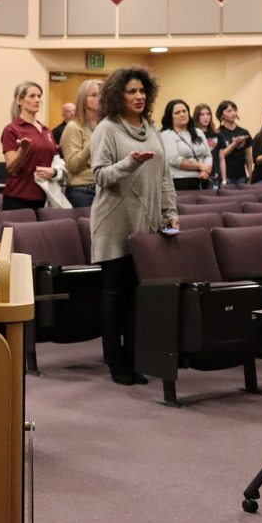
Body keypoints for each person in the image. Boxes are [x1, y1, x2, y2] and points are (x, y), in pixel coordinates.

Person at [90, 66, 177, 386]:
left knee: (137, 296)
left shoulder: (151, 128)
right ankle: (115, 362)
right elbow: (100, 176)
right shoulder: (107, 129)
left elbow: (164, 176)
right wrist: (130, 162)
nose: (138, 96)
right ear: (118, 95)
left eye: (142, 91)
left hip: (146, 223)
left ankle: (134, 360)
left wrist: (171, 212)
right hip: (114, 221)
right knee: (115, 294)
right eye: (131, 92)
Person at [1, 82, 57, 211]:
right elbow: (12, 170)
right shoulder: (12, 130)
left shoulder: (46, 130)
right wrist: (23, 150)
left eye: (39, 96)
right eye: (32, 96)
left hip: (45, 196)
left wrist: (54, 172)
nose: (37, 100)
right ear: (19, 100)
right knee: (16, 232)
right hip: (19, 198)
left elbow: (55, 161)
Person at [60, 79, 101, 207]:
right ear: (83, 99)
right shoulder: (73, 127)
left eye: (103, 94)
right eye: (94, 95)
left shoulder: (105, 125)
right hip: (82, 191)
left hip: (104, 188)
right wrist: (93, 142)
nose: (100, 98)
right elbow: (72, 165)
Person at [159, 99, 212, 191]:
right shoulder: (166, 134)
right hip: (180, 181)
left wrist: (205, 170)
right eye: (177, 112)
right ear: (170, 117)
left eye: (184, 111)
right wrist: (200, 166)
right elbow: (174, 159)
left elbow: (208, 155)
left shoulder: (198, 132)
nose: (182, 114)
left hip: (203, 179)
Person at [216, 100, 252, 185]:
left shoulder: (244, 132)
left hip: (241, 176)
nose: (233, 113)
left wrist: (250, 174)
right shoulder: (218, 133)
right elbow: (220, 155)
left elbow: (248, 157)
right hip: (225, 176)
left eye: (234, 110)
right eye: (229, 111)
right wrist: (235, 144)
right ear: (222, 115)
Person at [193, 102, 220, 181]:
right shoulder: (193, 134)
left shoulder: (217, 134)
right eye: (202, 114)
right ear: (196, 116)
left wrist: (224, 179)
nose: (206, 117)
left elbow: (222, 158)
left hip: (215, 173)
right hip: (198, 174)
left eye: (208, 114)